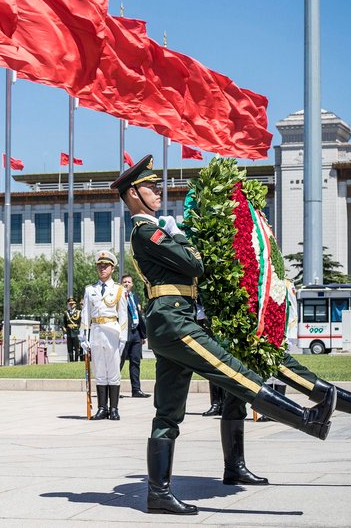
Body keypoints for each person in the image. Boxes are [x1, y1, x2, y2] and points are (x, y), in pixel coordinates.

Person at [111, 155, 335, 515]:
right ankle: (305, 420)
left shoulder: (151, 230)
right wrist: (181, 235)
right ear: (133, 194)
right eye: (150, 186)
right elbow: (194, 264)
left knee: (167, 412)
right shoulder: (147, 231)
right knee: (233, 372)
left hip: (171, 319)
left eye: (155, 184)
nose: (157, 190)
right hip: (174, 320)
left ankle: (158, 492)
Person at [80, 251, 126, 420]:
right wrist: (83, 336)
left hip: (113, 332)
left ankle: (114, 408)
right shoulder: (90, 290)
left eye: (105, 266)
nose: (102, 269)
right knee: (99, 371)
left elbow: (123, 316)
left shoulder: (118, 289)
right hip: (97, 331)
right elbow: (85, 314)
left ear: (112, 268)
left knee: (113, 371)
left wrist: (124, 337)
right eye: (100, 266)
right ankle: (102, 408)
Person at [120, 274, 149, 398]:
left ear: (132, 284)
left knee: (135, 362)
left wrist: (143, 334)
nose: (127, 284)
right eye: (124, 282)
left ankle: (136, 390)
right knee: (119, 363)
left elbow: (139, 315)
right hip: (123, 334)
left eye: (129, 282)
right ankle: (114, 389)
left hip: (135, 333)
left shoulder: (134, 297)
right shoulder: (118, 297)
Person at [63, 297, 82, 362]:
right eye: (70, 304)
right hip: (69, 332)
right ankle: (71, 361)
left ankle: (76, 361)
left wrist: (80, 332)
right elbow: (64, 324)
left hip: (76, 332)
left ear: (75, 304)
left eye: (73, 303)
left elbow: (80, 323)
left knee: (77, 348)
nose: (71, 305)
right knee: (70, 348)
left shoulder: (79, 312)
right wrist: (64, 332)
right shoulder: (66, 313)